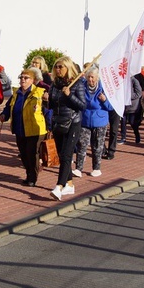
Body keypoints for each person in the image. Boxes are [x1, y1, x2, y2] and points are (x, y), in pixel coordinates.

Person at [0, 68, 47, 187]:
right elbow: (8, 106)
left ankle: (33, 177)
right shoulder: (16, 93)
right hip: (19, 128)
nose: (22, 80)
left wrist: (50, 126)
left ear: (32, 80)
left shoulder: (39, 92)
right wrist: (4, 115)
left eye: (26, 78)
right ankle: (28, 173)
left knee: (32, 153)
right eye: (21, 77)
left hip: (35, 129)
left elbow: (47, 111)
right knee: (23, 153)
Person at [48, 56, 86, 201]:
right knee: (61, 154)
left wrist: (70, 96)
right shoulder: (54, 85)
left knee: (66, 155)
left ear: (68, 68)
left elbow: (83, 105)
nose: (58, 70)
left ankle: (59, 186)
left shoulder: (77, 84)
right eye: (56, 67)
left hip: (73, 122)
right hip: (58, 122)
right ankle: (69, 183)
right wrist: (47, 100)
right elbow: (53, 106)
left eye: (61, 67)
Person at [73, 65, 112, 177]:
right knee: (82, 145)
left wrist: (104, 101)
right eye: (89, 77)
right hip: (85, 121)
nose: (90, 79)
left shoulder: (104, 88)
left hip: (100, 121)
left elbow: (111, 107)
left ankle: (96, 168)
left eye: (93, 77)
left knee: (97, 146)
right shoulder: (82, 87)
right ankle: (78, 169)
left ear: (97, 78)